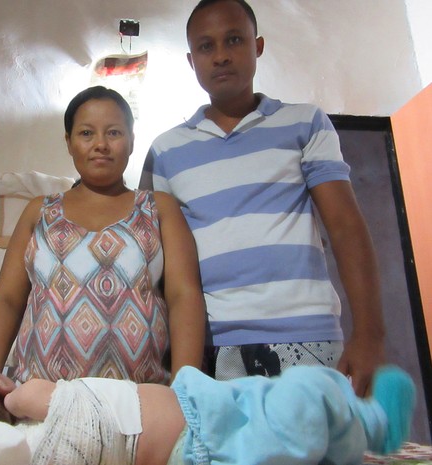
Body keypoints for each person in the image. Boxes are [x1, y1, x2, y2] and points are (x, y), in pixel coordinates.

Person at [139, 0, 385, 395]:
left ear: (258, 46)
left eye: (234, 40)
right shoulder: (166, 151)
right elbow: (158, 263)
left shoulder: (305, 123)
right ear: (191, 60)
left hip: (308, 334)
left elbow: (345, 227)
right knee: (227, 456)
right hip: (213, 345)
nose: (220, 55)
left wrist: (370, 333)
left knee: (317, 454)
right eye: (206, 47)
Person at [0, 86, 206, 384]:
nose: (101, 144)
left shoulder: (158, 209)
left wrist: (185, 390)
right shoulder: (39, 213)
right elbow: (6, 300)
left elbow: (183, 296)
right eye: (86, 133)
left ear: (132, 141)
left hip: (139, 404)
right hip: (41, 399)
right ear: (69, 143)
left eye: (114, 133)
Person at [0, 362, 416, 465]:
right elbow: (54, 406)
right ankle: (374, 426)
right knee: (303, 393)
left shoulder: (36, 446)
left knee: (295, 423)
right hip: (205, 440)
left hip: (209, 417)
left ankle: (358, 437)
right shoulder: (35, 412)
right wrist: (13, 391)